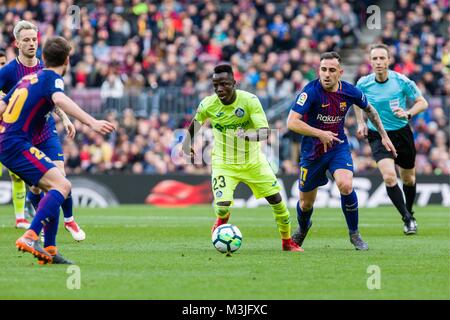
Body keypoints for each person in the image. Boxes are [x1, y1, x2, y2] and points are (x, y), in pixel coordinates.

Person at [0, 36, 115, 264]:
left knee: (50, 188)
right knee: (62, 184)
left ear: (43, 57)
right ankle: (31, 236)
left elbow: (2, 105)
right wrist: (91, 122)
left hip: (9, 142)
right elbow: (60, 99)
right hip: (16, 144)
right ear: (68, 60)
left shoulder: (30, 77)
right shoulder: (51, 78)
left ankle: (50, 250)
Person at [181, 64, 303, 252]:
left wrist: (247, 135)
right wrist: (187, 143)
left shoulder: (250, 101)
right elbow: (196, 122)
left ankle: (287, 242)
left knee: (278, 203)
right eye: (215, 85)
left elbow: (265, 133)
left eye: (224, 84)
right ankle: (222, 217)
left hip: (253, 162)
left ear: (234, 83)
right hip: (224, 163)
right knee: (221, 206)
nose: (219, 89)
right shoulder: (208, 104)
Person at [287, 51, 397, 250]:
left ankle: (354, 233)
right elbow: (292, 122)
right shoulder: (309, 92)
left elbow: (370, 110)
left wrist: (384, 134)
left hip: (338, 147)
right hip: (312, 153)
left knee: (345, 185)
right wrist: (320, 133)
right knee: (305, 204)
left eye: (331, 70)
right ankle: (303, 228)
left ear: (340, 72)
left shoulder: (350, 91)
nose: (326, 74)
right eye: (323, 70)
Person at [0, 20, 85, 241]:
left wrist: (65, 118)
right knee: (37, 188)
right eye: (26, 40)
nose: (31, 43)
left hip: (45, 130)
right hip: (22, 134)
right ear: (17, 43)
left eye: (34, 39)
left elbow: (53, 98)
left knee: (61, 175)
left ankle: (69, 220)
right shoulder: (8, 71)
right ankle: (42, 230)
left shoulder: (45, 67)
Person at [355, 43, 428, 235]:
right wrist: (360, 122)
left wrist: (408, 113)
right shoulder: (363, 83)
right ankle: (407, 218)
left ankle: (409, 211)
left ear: (389, 60)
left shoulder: (402, 81)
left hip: (401, 133)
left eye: (382, 58)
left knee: (409, 179)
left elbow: (423, 102)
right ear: (370, 62)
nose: (378, 62)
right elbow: (356, 102)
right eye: (375, 59)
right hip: (378, 135)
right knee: (389, 177)